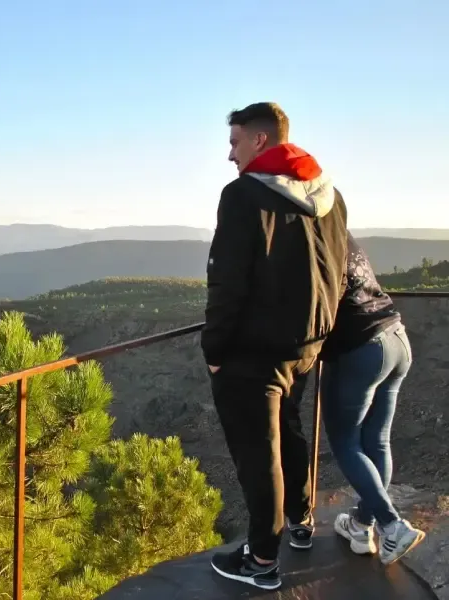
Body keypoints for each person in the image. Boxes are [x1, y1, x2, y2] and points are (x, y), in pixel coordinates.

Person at [201, 102, 348, 590]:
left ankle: (262, 561)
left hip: (253, 352)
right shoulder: (330, 196)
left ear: (260, 141)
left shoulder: (243, 196)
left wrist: (215, 351)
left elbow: (227, 280)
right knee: (289, 432)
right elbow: (338, 270)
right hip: (306, 346)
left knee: (259, 454)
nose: (230, 155)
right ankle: (302, 520)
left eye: (235, 142)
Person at [319, 232, 425, 564]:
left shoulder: (307, 246)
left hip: (363, 350)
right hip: (397, 337)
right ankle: (361, 526)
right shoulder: (341, 236)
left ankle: (393, 526)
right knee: (376, 441)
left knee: (346, 442)